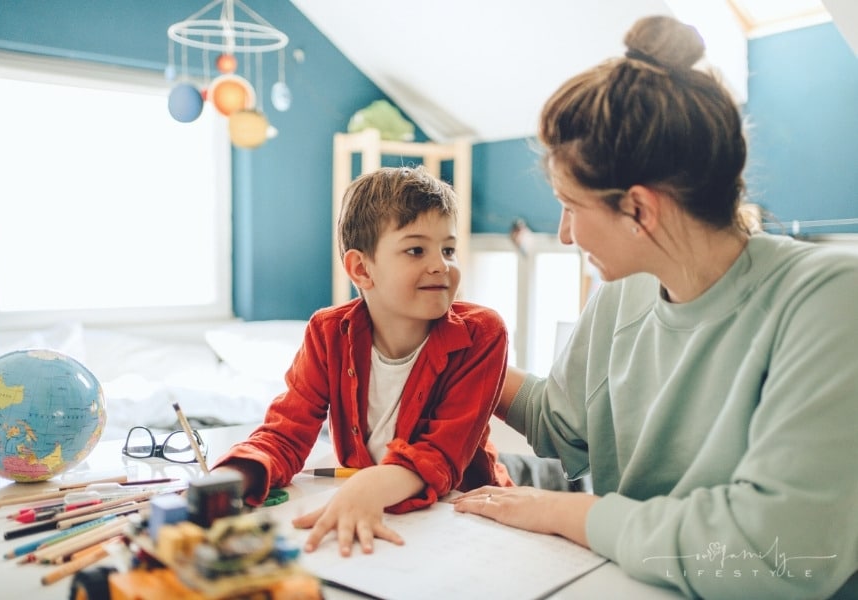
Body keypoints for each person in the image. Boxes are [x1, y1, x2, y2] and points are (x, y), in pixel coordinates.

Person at [452, 15, 858, 600]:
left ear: (639, 210)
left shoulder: (829, 300)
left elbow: (775, 551)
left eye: (571, 206)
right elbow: (562, 425)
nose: (564, 234)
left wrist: (564, 512)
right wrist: (454, 342)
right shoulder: (623, 291)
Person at [212, 165, 512, 557]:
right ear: (361, 269)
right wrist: (227, 479)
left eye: (448, 249)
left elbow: (440, 455)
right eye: (416, 250)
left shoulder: (482, 333)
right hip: (378, 511)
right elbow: (286, 434)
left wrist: (366, 487)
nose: (441, 265)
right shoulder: (327, 333)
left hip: (467, 517)